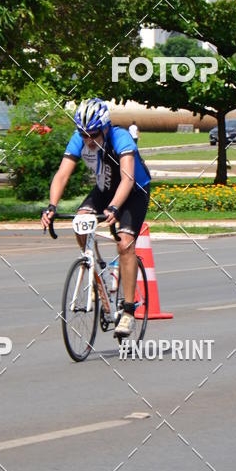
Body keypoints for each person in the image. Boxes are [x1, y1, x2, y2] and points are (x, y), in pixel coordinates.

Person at [41, 98, 151, 338]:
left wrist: (113, 208)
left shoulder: (120, 137)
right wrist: (51, 206)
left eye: (92, 134)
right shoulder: (79, 139)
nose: (88, 140)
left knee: (124, 244)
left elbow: (128, 179)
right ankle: (95, 269)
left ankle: (129, 312)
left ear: (104, 128)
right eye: (83, 134)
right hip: (105, 187)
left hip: (133, 191)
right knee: (80, 223)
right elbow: (62, 175)